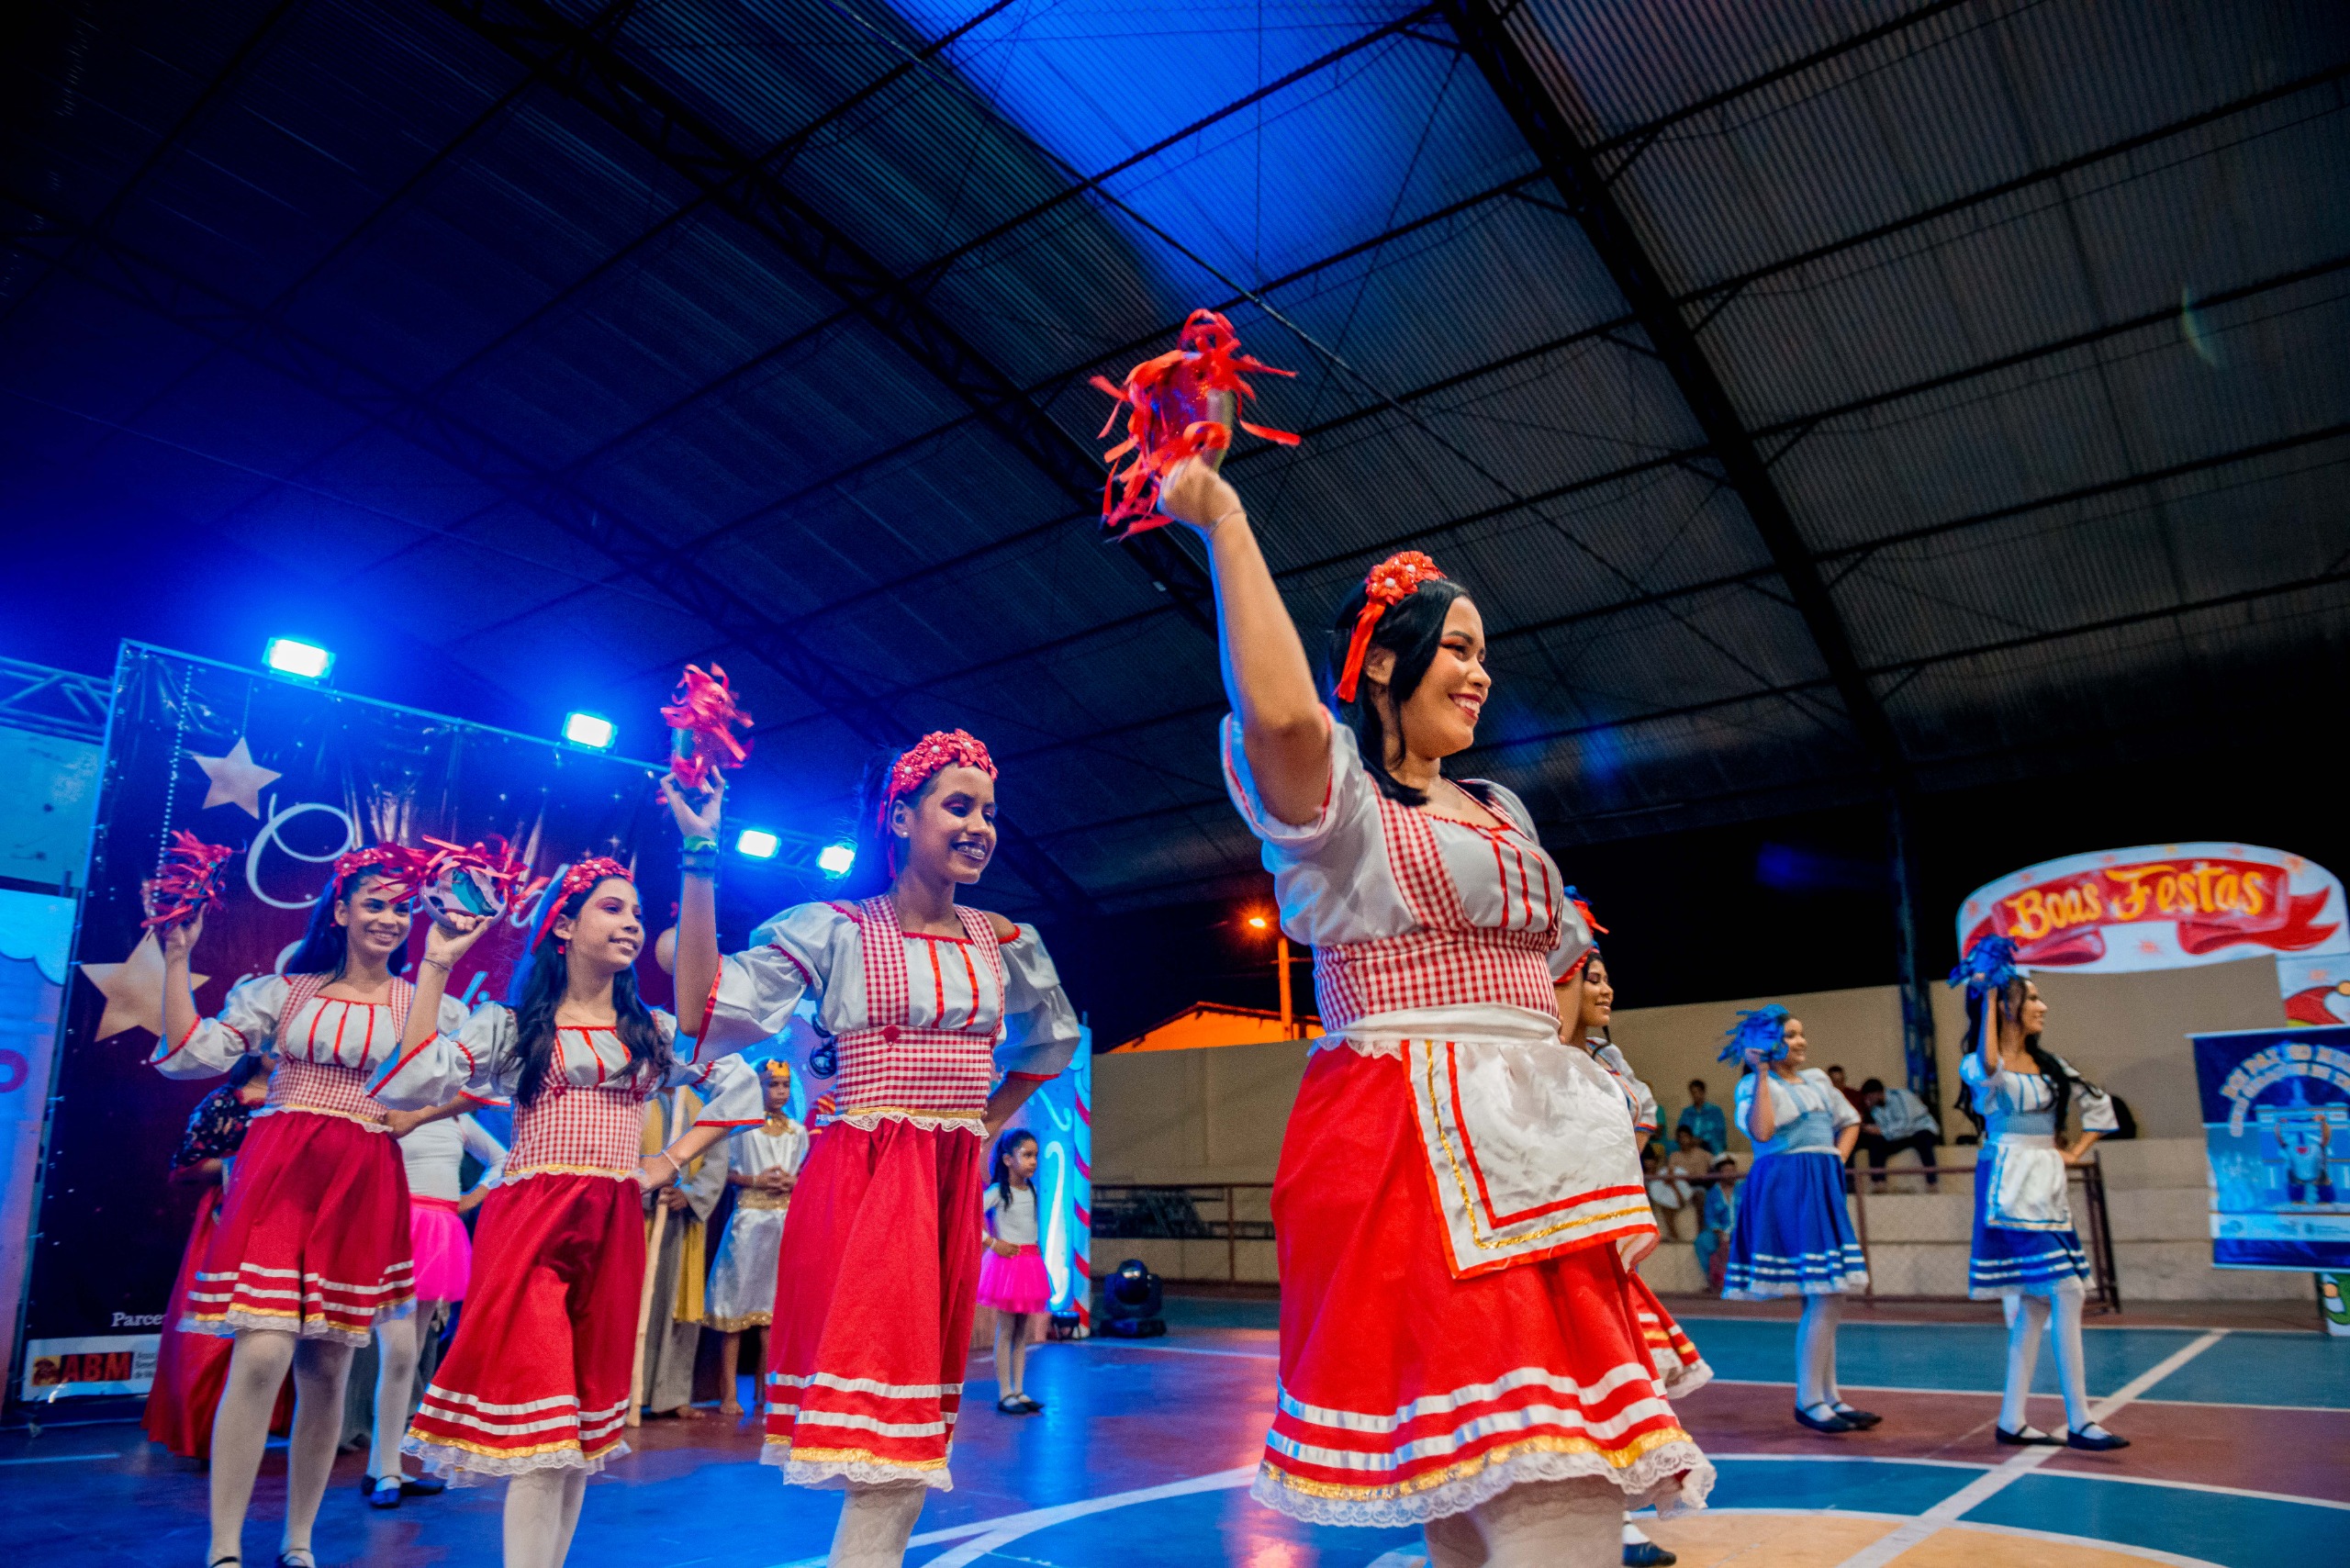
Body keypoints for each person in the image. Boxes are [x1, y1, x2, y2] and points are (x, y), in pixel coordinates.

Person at [1157, 451, 1710, 1567]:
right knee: (1546, 1479)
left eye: (1482, 654)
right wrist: (1222, 517)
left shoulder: (1500, 806)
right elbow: (1284, 719)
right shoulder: (1347, 809)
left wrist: (1593, 1080)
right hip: (1415, 1143)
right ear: (1381, 663)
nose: (1478, 673)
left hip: (1540, 1153)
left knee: (1485, 1487)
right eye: (1457, 648)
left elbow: (1558, 976)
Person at [677, 730, 1082, 1568]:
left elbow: (1051, 1041)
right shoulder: (837, 930)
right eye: (958, 807)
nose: (979, 827)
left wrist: (982, 1124)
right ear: (900, 817)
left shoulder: (1003, 940)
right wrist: (701, 856)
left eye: (989, 812)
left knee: (914, 1427)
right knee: (890, 1433)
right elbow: (702, 1010)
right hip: (866, 1182)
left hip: (943, 1186)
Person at [401, 857, 760, 1568]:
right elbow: (411, 1080)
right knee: (542, 1431)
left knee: (576, 1435)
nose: (631, 924)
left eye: (637, 912)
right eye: (612, 908)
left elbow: (741, 1085)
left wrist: (667, 1161)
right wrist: (437, 962)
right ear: (563, 925)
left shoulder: (652, 1030)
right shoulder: (510, 1027)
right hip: (530, 1223)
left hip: (614, 1223)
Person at [154, 846, 485, 1568]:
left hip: (362, 1176)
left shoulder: (423, 1002)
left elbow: (442, 1081)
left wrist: (412, 1111)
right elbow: (190, 1051)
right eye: (374, 903)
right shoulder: (284, 992)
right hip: (283, 1171)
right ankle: (224, 1546)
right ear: (340, 911)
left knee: (328, 1367)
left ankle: (298, 1540)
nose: (390, 918)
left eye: (402, 906)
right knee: (262, 1352)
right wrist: (177, 958)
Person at [1951, 935, 2128, 1452]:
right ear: (2007, 1006)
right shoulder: (1977, 1065)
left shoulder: (2052, 1066)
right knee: (2067, 1291)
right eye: (2031, 998)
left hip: (2046, 1182)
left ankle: (2013, 1420)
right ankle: (2081, 1420)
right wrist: (1987, 991)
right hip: (2008, 1181)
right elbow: (1989, 1066)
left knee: (2034, 1302)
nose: (2042, 1006)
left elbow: (2100, 1107)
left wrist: (2075, 1152)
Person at [1562, 946, 1706, 1568]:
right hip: (1557, 1237)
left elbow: (1635, 1132)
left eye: (1606, 977)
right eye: (1592, 978)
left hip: (1605, 1238)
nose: (1607, 989)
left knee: (1612, 1382)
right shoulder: (1530, 1059)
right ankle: (1599, 1519)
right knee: (1575, 1384)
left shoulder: (1605, 1060)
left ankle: (1610, 1513)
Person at [1719, 1007, 1876, 1435]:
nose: (1800, 1041)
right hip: (1785, 1188)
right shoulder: (1754, 1086)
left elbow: (1851, 1122)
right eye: (1789, 1035)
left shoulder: (1818, 1081)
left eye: (1800, 1033)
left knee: (1825, 1292)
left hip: (1818, 1187)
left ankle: (1829, 1396)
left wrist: (1834, 1161)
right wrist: (1761, 1072)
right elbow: (1763, 1132)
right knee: (1825, 1294)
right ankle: (1810, 1400)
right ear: (1767, 1043)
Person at [362, 1110, 504, 1506]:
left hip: (437, 1233)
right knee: (399, 1352)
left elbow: (502, 1158)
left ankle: (382, 1467)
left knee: (409, 1356)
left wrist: (470, 1198)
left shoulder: (458, 1119)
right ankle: (386, 1468)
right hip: (395, 1229)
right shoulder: (389, 1110)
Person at [145, 1056, 284, 1462]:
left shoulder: (300, 1102)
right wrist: (243, 1164)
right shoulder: (223, 1101)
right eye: (271, 1043)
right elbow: (185, 1165)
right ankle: (204, 1432)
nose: (279, 1051)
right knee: (211, 1330)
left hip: (282, 1220)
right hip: (227, 1219)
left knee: (270, 1325)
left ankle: (253, 1432)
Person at [706, 1059, 809, 1417]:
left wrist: (793, 1182)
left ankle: (768, 1391)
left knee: (772, 1311)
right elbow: (724, 1172)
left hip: (783, 1222)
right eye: (772, 1084)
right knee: (735, 1305)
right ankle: (729, 1393)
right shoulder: (743, 1130)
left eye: (784, 1085)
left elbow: (803, 1172)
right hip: (749, 1220)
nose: (779, 1092)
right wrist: (756, 1180)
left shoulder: (798, 1132)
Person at [636, 1078, 727, 1419]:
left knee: (679, 1303)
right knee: (633, 1301)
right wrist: (646, 1187)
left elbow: (716, 1160)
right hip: (638, 1217)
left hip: (683, 1221)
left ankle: (671, 1395)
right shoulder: (637, 1097)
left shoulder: (702, 1106)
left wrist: (689, 1194)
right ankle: (625, 1393)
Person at [979, 1128, 1054, 1416]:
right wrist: (993, 1243)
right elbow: (970, 1217)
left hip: (1029, 1264)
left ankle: (1019, 1390)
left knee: (1023, 1332)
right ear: (1008, 1159)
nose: (1033, 1161)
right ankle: (1005, 1392)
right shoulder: (999, 1192)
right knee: (1007, 1329)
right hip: (1008, 1266)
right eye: (1027, 1155)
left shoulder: (1031, 1190)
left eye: (1035, 1155)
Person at [1855, 1078, 1941, 1190]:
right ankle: (1879, 1183)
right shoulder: (1875, 1109)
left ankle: (1932, 1183)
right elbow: (1886, 1129)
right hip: (1899, 1135)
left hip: (1919, 1128)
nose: (1868, 1100)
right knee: (1876, 1142)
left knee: (1923, 1139)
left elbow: (1906, 1123)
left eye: (1869, 1097)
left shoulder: (1900, 1096)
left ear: (1877, 1093)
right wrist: (1872, 1129)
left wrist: (1882, 1131)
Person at [1693, 1156, 1739, 1294]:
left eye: (1733, 1170)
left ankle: (1744, 1282)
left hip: (1741, 1230)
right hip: (1720, 1231)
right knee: (1702, 1241)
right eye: (1726, 1171)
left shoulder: (1744, 1188)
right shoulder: (1713, 1193)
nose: (1731, 1174)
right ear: (1719, 1174)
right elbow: (1710, 1217)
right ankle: (1714, 1280)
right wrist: (1719, 1232)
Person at [1675, 1081, 1727, 1157]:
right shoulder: (1687, 1112)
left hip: (1711, 1147)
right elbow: (1681, 1130)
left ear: (1703, 1092)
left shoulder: (1715, 1111)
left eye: (1698, 1092)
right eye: (1693, 1093)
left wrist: (1703, 1140)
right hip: (1690, 1146)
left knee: (1716, 1144)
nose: (1695, 1095)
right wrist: (1691, 1139)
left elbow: (1719, 1132)